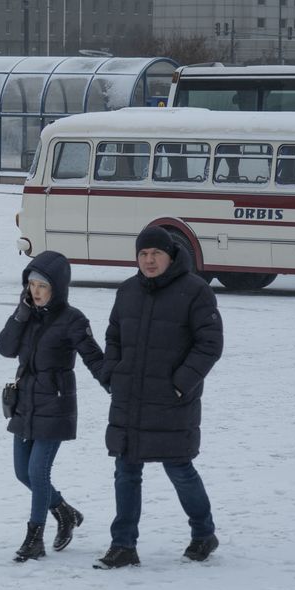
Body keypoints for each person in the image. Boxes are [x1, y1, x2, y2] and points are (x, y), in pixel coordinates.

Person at [93, 226, 224, 569]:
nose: (149, 260)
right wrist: (112, 373)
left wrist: (180, 384)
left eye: (156, 254)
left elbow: (209, 344)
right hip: (130, 399)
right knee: (126, 471)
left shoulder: (195, 292)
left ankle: (203, 533)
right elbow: (114, 336)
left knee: (179, 469)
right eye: (143, 254)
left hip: (172, 401)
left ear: (171, 255)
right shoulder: (127, 291)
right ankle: (123, 545)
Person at [0, 250, 104, 562]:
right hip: (25, 402)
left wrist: (116, 385)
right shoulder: (27, 315)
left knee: (37, 471)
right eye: (31, 285)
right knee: (22, 473)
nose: (35, 292)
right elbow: (4, 348)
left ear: (57, 287)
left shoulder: (73, 320)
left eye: (42, 286)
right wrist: (20, 314)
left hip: (55, 404)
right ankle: (63, 511)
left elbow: (95, 358)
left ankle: (34, 538)